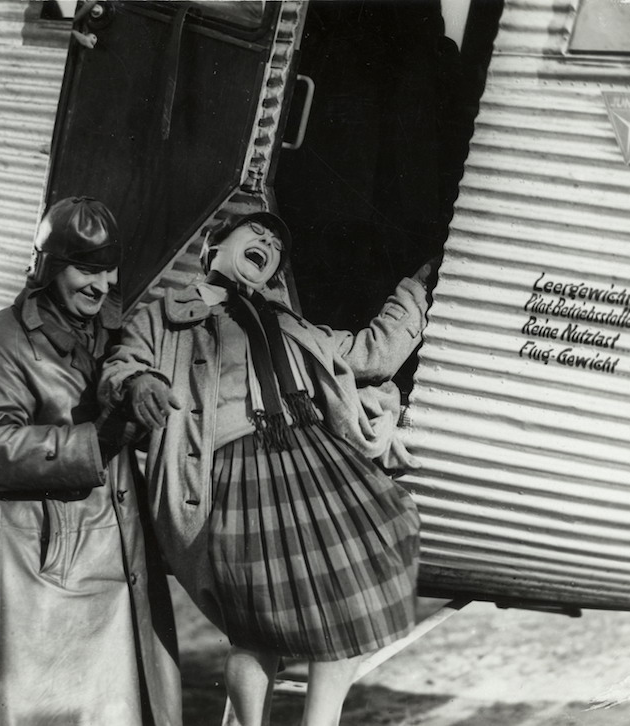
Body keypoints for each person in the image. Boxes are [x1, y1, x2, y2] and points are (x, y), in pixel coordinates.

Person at [99, 211, 434, 726]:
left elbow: (373, 353)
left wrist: (413, 291)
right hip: (238, 473)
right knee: (257, 629)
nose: (268, 243)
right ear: (213, 246)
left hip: (317, 465)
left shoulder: (290, 324)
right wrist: (138, 383)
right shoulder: (164, 317)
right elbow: (123, 363)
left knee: (351, 611)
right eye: (256, 233)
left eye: (276, 244)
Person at [0, 196, 182, 726]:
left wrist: (144, 393)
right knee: (51, 710)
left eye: (108, 269)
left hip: (120, 554)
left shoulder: (110, 335)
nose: (100, 285)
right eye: (86, 270)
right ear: (49, 268)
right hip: (49, 567)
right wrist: (92, 442)